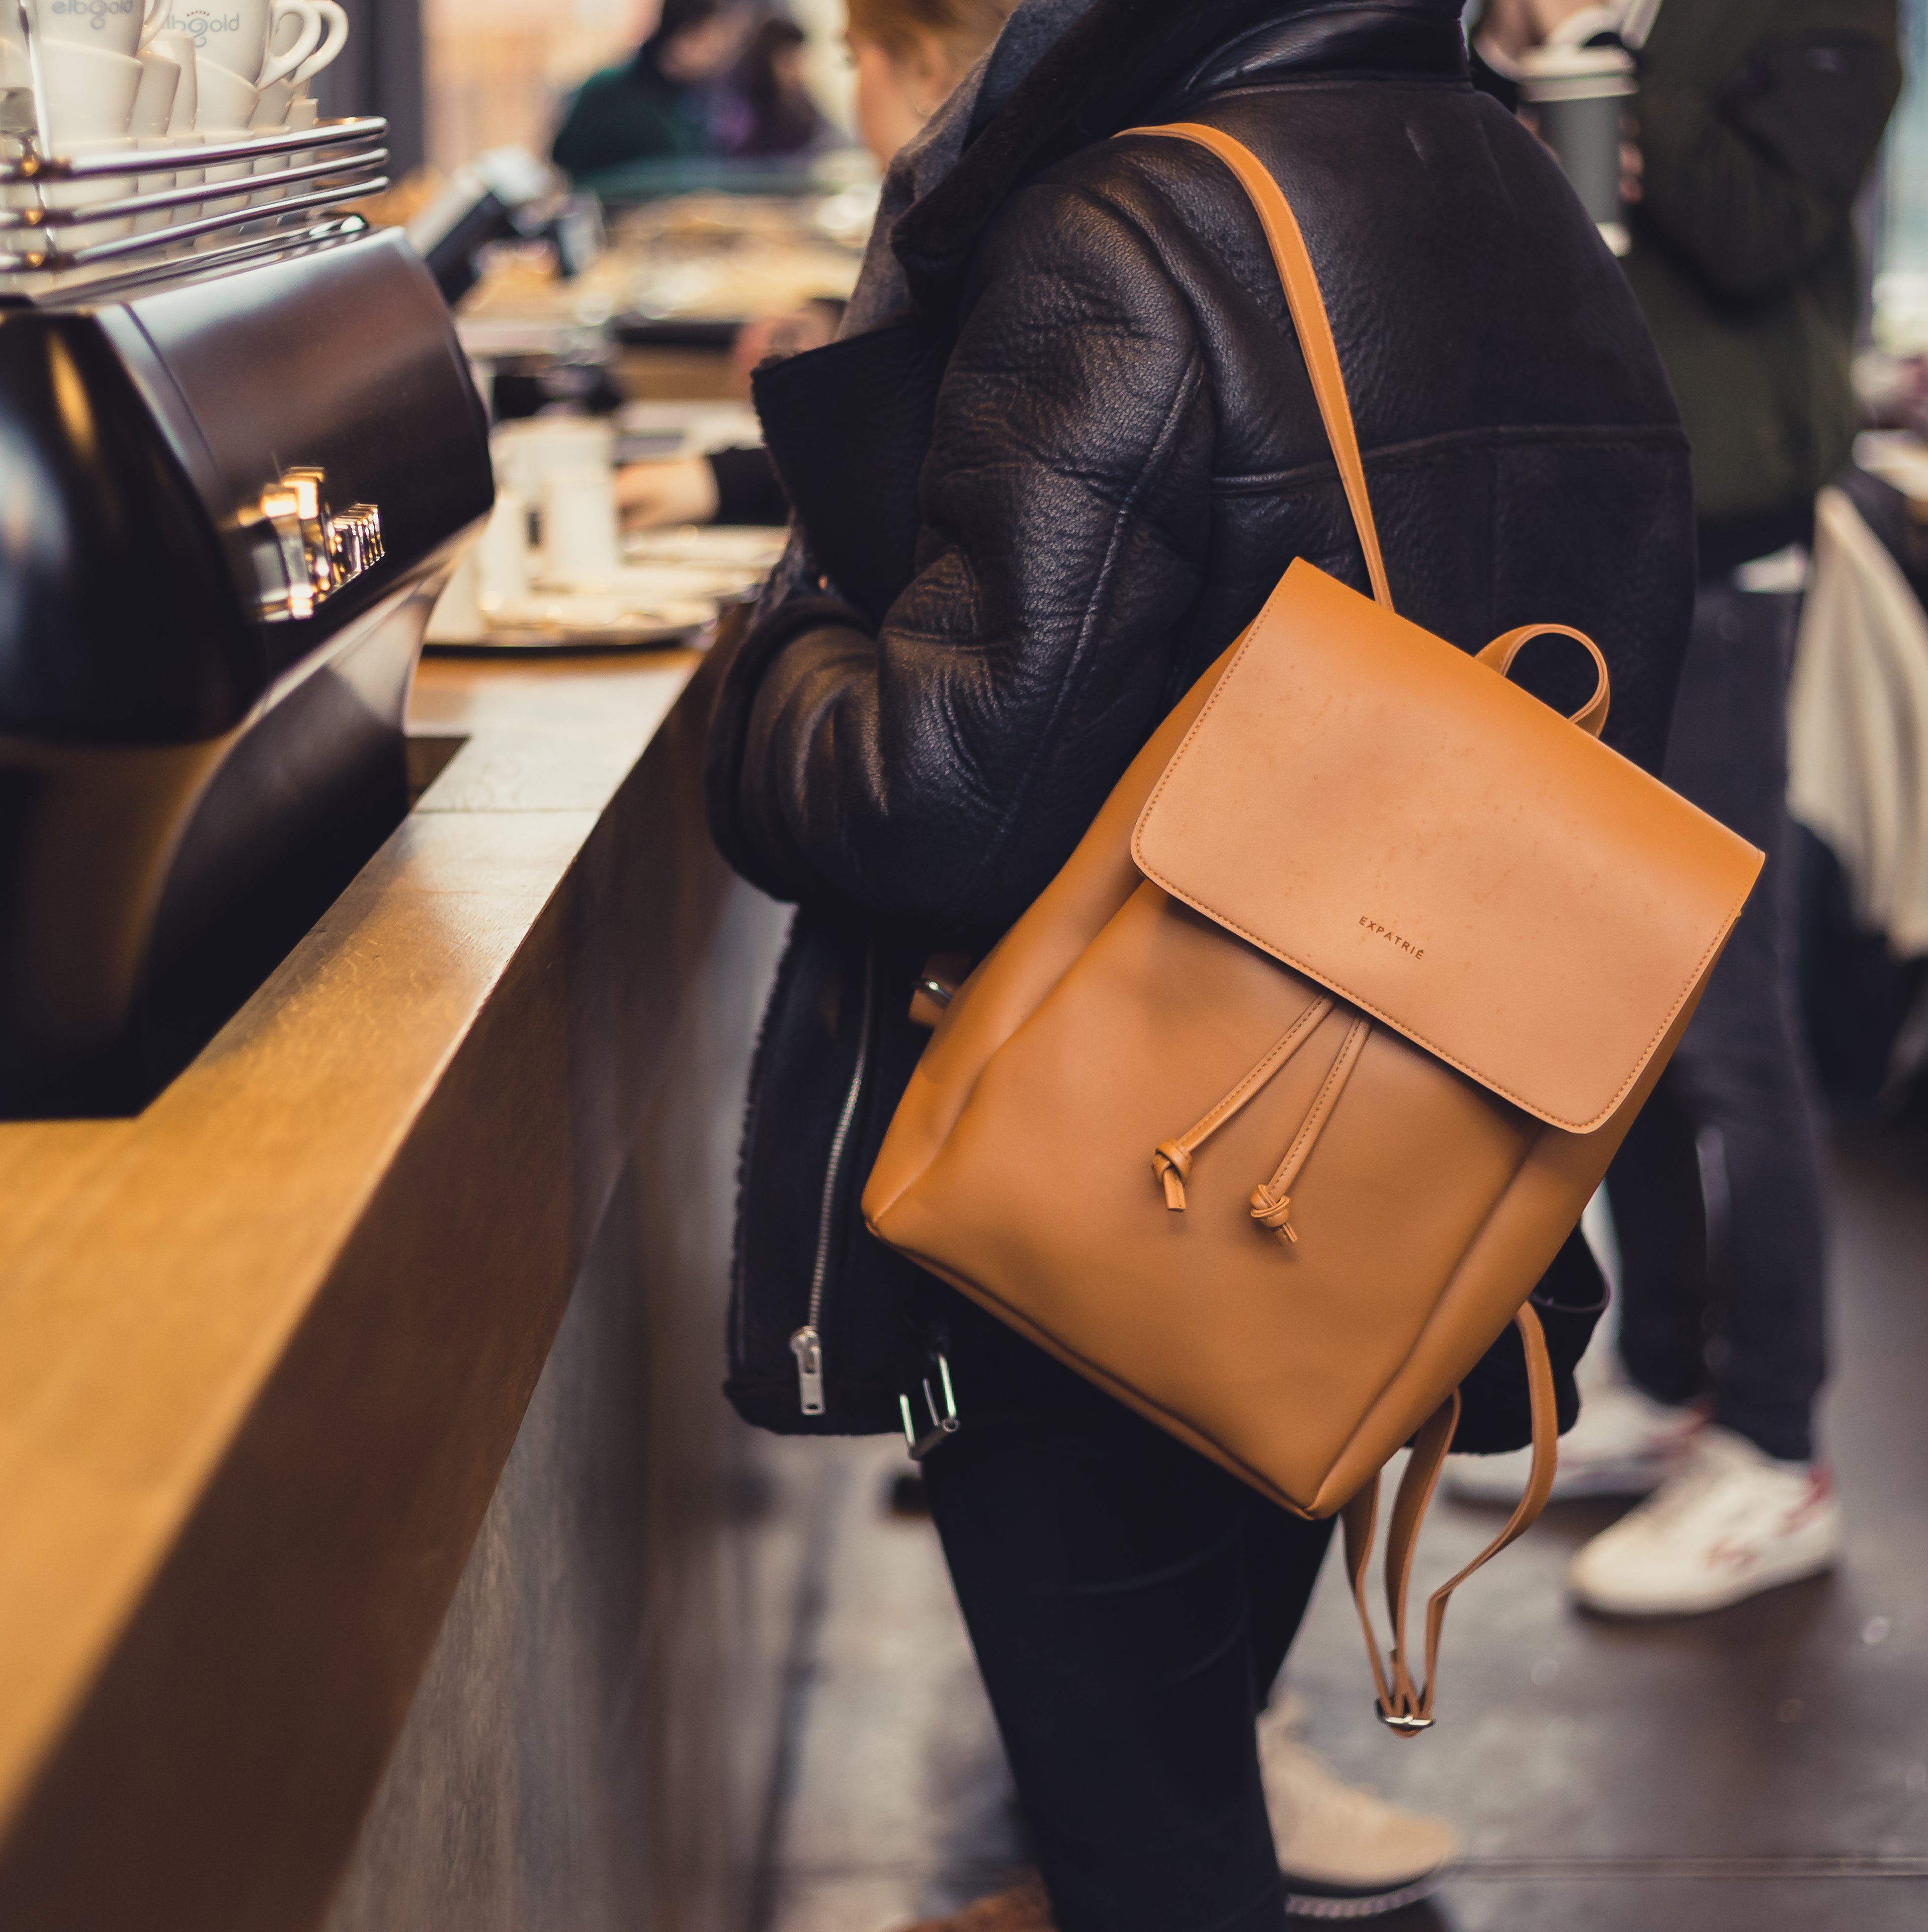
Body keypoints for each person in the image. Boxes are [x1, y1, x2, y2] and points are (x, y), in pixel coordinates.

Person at [707, 2, 1696, 1925]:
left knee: (1148, 1842)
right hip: (1384, 1182)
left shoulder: (1132, 229)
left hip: (1115, 1205)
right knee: (1173, 1746)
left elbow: (934, 792)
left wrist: (774, 661)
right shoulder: (1506, 177)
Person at [1453, 0, 1901, 1623]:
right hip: (1568, 537)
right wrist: (1505, 58)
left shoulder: (1818, 15)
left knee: (1726, 1018)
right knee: (1603, 998)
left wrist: (1611, 52)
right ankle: (1660, 1385)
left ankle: (1775, 1446)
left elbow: (1758, 225)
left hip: (1724, 561)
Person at [617, 0, 1024, 531]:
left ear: (924, 69)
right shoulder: (1000, 224)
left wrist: (727, 481)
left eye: (854, 62)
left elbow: (908, 471)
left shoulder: (1001, 253)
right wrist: (832, 320)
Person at [552, 0, 756, 183]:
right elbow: (566, 161)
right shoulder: (609, 94)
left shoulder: (691, 97)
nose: (723, 58)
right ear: (687, 36)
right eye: (715, 46)